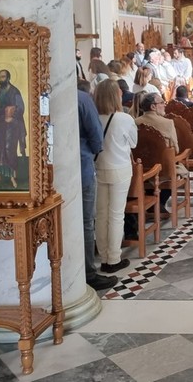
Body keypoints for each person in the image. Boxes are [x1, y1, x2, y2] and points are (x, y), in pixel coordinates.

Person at [94, 79, 137, 274]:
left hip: (98, 168)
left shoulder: (95, 117)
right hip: (120, 168)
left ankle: (103, 257)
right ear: (116, 96)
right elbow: (134, 143)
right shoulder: (124, 118)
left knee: (101, 214)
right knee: (116, 215)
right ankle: (113, 258)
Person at [78, 87, 117, 291]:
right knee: (86, 221)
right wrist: (93, 152)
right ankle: (87, 273)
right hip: (82, 165)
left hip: (49, 171)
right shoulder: (82, 99)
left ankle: (65, 271)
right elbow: (95, 134)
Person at [0, 70, 26, 188]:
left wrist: (11, 117)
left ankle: (12, 177)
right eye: (0, 77)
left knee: (9, 148)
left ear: (8, 78)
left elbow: (20, 108)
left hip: (11, 126)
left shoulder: (15, 92)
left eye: (3, 77)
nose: (1, 79)